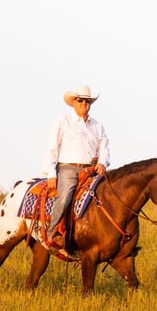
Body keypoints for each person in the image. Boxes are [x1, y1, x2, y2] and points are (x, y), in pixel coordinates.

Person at [42, 85, 110, 249]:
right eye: (80, 100)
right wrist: (51, 173)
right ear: (74, 102)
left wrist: (102, 162)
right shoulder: (63, 121)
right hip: (68, 168)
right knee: (65, 195)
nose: (83, 104)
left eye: (87, 101)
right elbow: (52, 148)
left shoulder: (97, 125)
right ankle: (52, 232)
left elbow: (104, 148)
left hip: (91, 170)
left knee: (106, 196)